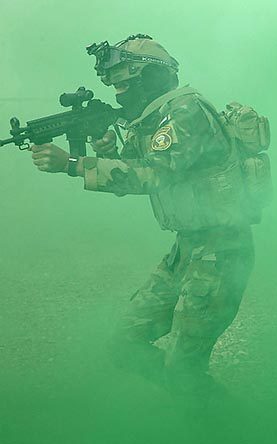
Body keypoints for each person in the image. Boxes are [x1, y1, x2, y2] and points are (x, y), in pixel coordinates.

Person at [29, 34, 264, 409]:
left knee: (183, 368)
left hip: (220, 252)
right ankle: (192, 401)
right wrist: (109, 150)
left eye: (124, 81)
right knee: (124, 343)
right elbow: (136, 166)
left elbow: (155, 175)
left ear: (148, 75)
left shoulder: (185, 111)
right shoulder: (153, 118)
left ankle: (225, 422)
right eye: (114, 83)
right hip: (187, 250)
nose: (118, 90)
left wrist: (72, 165)